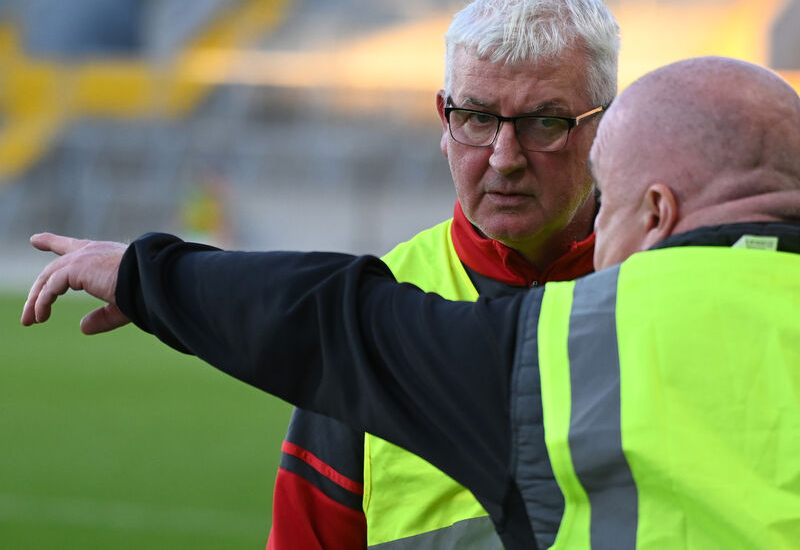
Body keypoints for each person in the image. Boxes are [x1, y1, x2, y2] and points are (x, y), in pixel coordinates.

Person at [21, 56, 800, 549]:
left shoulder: (580, 347)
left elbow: (336, 324)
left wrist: (145, 275)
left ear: (659, 210)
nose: (602, 248)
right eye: (475, 117)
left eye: (615, 206)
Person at [267, 0, 618, 550]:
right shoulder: (374, 311)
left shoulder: (670, 286)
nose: (504, 158)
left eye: (544, 122)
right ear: (444, 119)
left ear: (605, 127)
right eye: (478, 117)